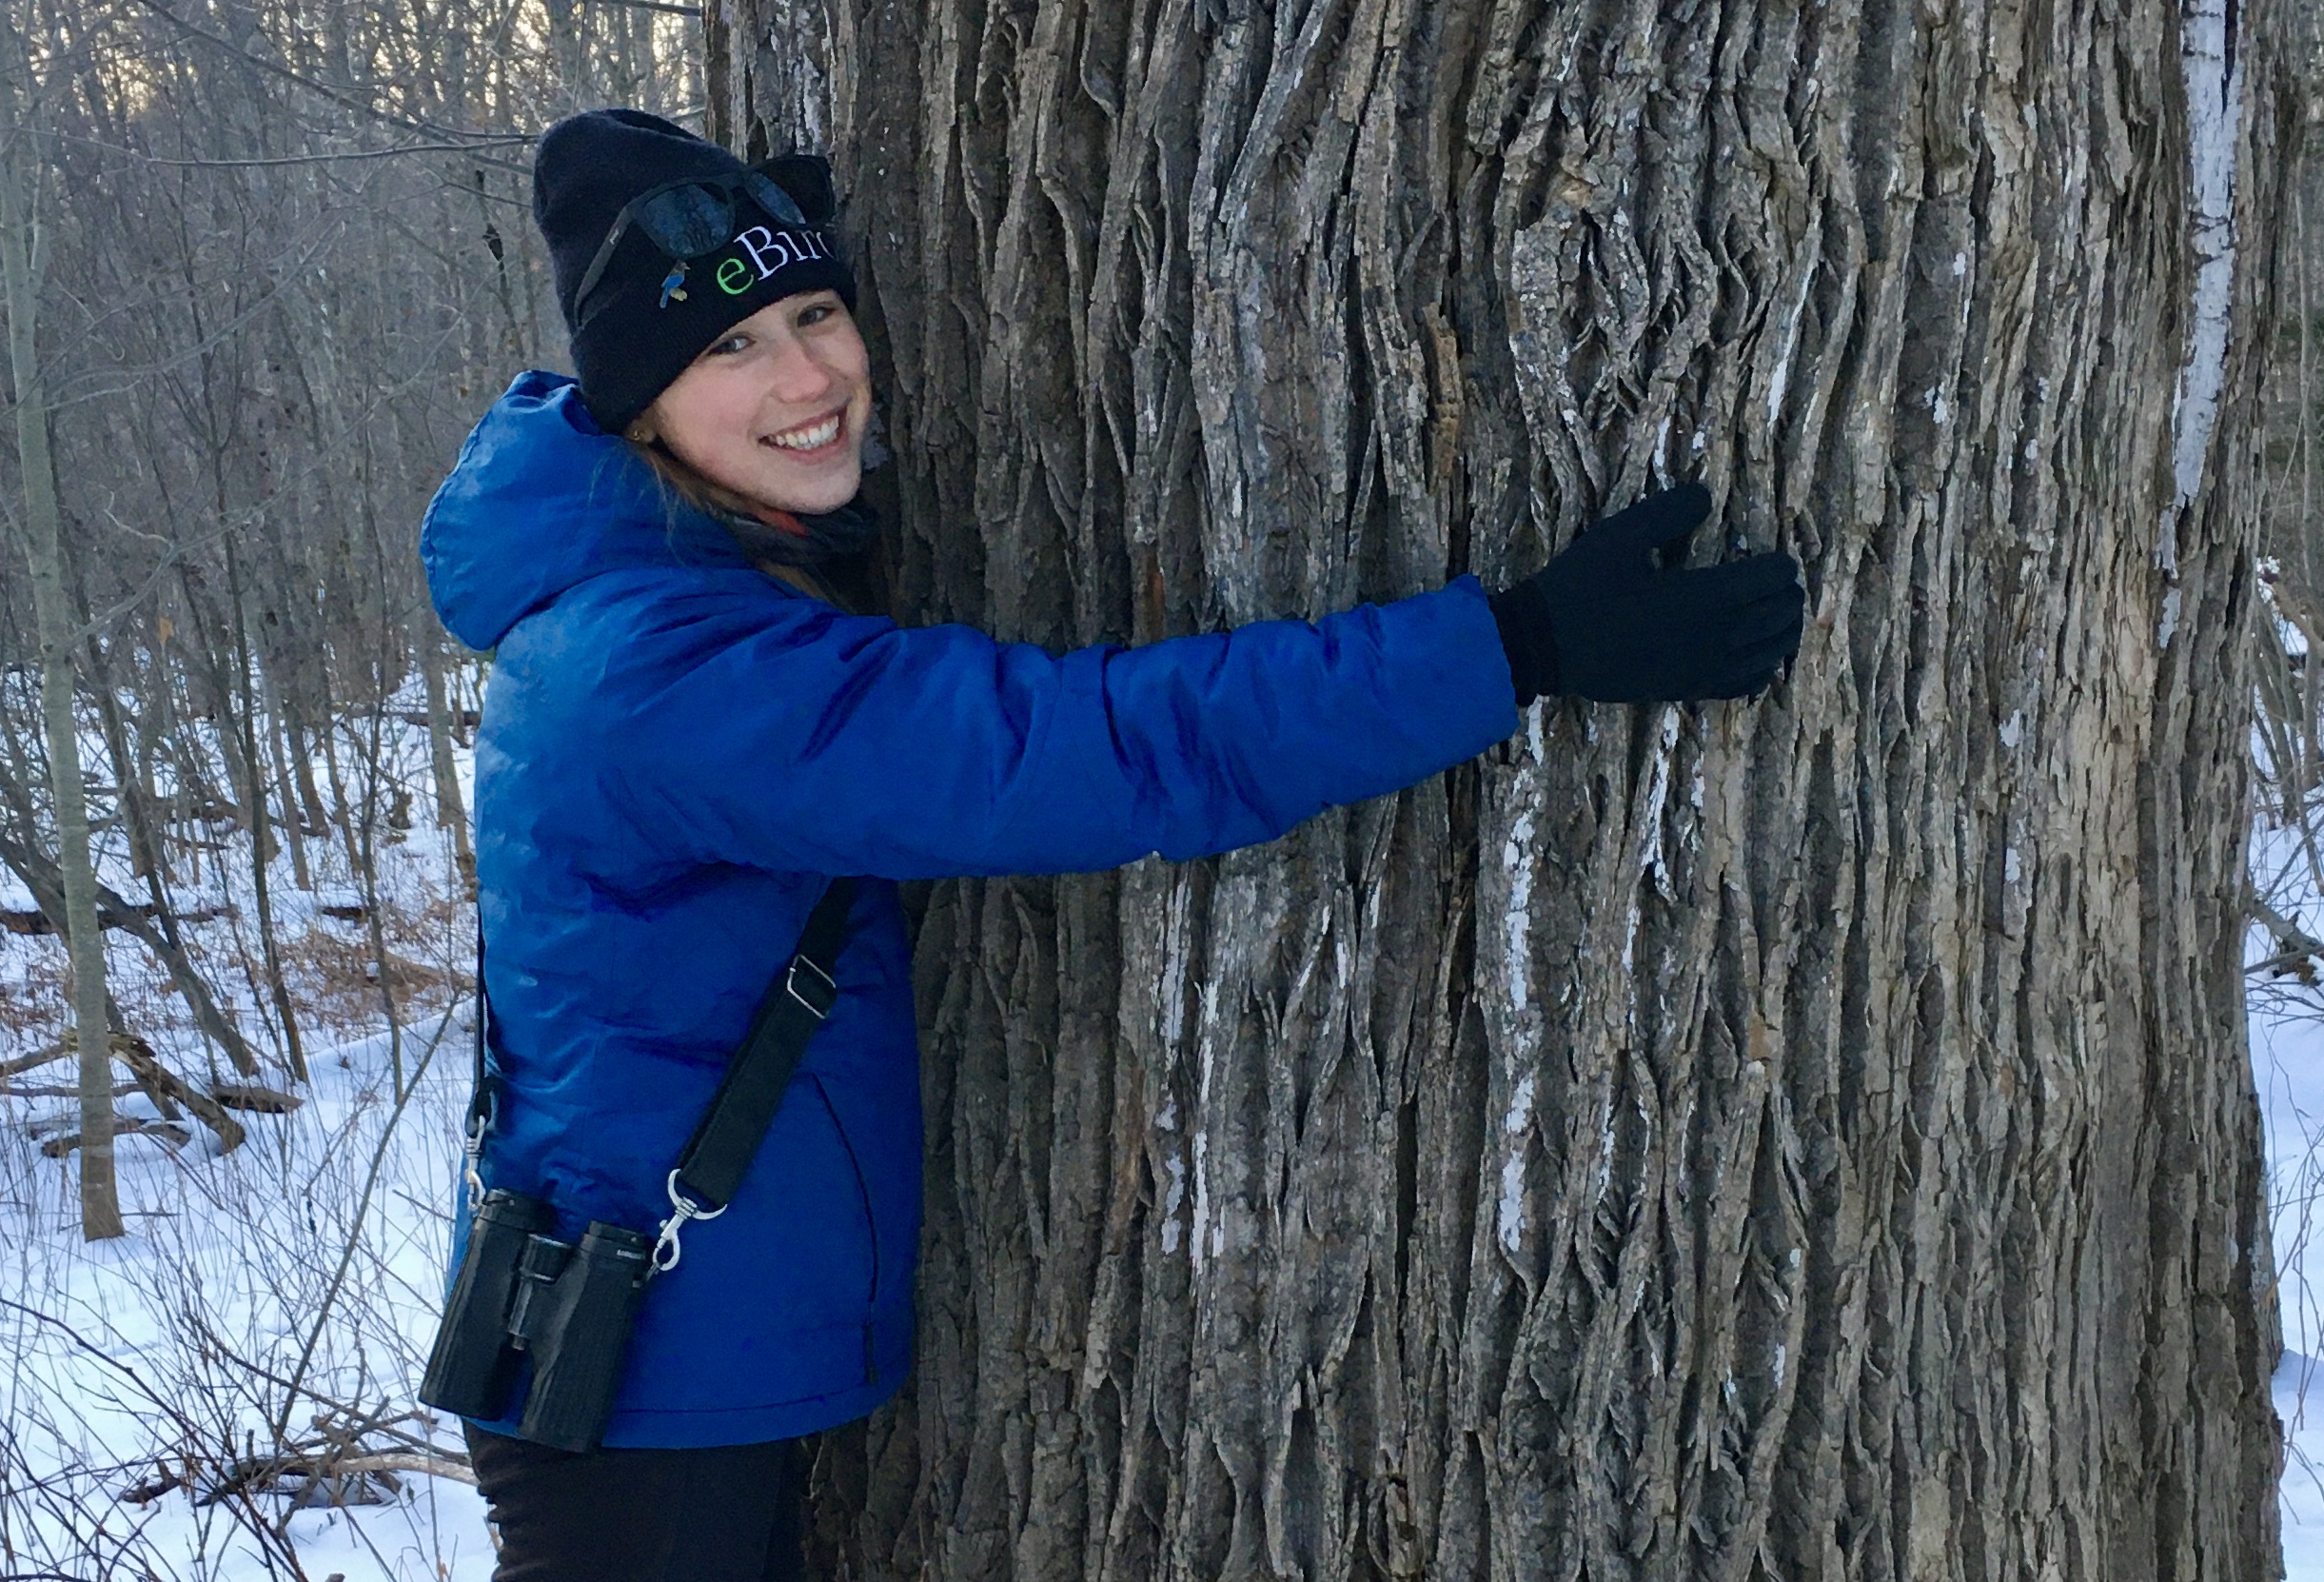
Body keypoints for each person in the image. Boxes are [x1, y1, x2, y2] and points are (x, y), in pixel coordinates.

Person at [419, 109, 1805, 1581]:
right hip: (647, 1383)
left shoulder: (661, 571)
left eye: (816, 311)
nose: (811, 375)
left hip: (661, 1337)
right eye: (732, 350)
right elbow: (1090, 748)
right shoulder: (663, 673)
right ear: (638, 407)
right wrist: (1509, 646)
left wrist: (742, 271)